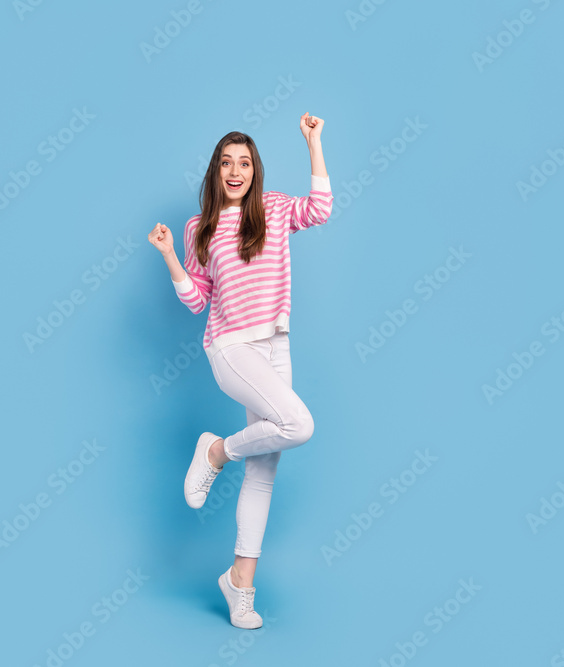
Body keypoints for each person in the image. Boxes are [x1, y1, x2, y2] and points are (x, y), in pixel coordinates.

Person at [147, 113, 332, 629]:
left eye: (244, 162)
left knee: (266, 466)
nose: (235, 171)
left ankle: (239, 585)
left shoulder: (273, 210)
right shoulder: (198, 228)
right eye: (226, 162)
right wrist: (170, 257)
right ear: (215, 171)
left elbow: (321, 208)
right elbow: (196, 301)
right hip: (229, 347)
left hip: (275, 346)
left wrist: (314, 143)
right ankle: (216, 450)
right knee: (299, 425)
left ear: (255, 171)